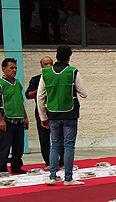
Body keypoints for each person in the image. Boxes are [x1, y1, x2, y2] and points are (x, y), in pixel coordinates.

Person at [37, 45, 86, 186]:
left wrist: (43, 116)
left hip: (53, 114)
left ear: (56, 56)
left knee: (55, 145)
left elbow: (40, 96)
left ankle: (52, 176)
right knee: (69, 145)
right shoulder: (73, 72)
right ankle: (68, 178)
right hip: (70, 113)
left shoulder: (45, 73)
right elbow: (84, 92)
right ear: (69, 58)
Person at [0, 57, 29, 175]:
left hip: (18, 119)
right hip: (6, 119)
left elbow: (20, 101)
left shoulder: (17, 83)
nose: (14, 70)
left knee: (19, 145)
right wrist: (0, 120)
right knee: (5, 145)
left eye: (15, 68)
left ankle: (16, 166)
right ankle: (2, 168)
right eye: (11, 68)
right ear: (4, 69)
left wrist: (25, 117)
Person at [25, 55, 54, 166]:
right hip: (42, 113)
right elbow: (28, 95)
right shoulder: (36, 79)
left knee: (59, 138)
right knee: (44, 138)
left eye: (50, 63)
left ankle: (62, 162)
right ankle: (48, 162)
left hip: (56, 113)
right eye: (45, 64)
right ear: (41, 66)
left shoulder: (57, 77)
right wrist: (40, 89)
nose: (48, 65)